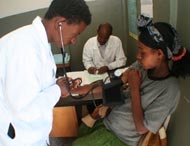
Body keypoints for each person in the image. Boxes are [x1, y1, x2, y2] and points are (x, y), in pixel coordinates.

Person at [72, 15, 190, 146]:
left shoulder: (170, 89)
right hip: (111, 120)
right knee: (80, 131)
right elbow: (116, 83)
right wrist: (84, 89)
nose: (137, 56)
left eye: (142, 52)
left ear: (159, 54)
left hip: (121, 137)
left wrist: (134, 88)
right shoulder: (142, 67)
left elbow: (141, 128)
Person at [0, 0, 91, 145]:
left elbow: (32, 86)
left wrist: (56, 83)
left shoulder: (37, 42)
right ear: (60, 23)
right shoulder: (25, 48)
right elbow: (25, 110)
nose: (74, 40)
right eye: (76, 33)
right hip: (18, 139)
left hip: (31, 134)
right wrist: (57, 90)